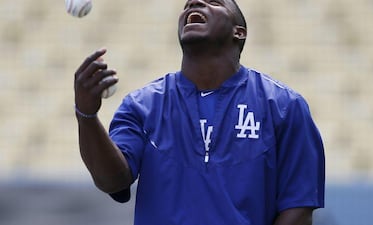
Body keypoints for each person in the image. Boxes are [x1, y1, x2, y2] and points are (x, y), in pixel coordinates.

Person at [73, 0, 325, 224]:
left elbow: (299, 209)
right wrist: (87, 116)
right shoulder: (141, 105)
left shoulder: (284, 106)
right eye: (188, 5)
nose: (194, 3)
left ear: (239, 32)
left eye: (213, 2)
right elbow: (112, 181)